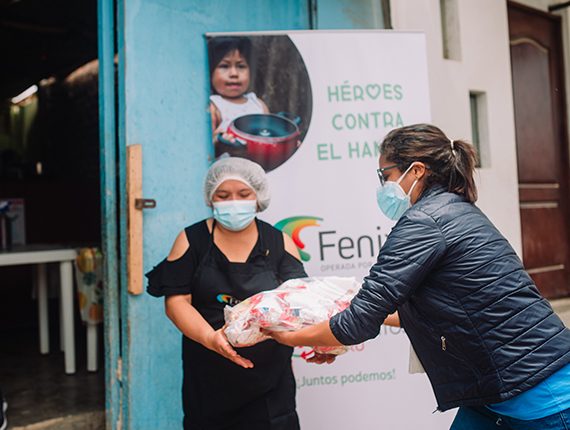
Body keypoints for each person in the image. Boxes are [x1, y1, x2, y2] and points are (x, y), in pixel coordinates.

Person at [268, 124, 570, 429]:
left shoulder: (424, 222)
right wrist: (329, 335)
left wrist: (289, 337)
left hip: (539, 392)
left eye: (384, 175)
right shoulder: (455, 210)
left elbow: (359, 321)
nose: (383, 185)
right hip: (499, 387)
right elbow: (439, 308)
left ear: (415, 171)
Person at [146, 157, 308, 430]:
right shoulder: (191, 240)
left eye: (244, 194)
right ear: (210, 198)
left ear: (258, 197)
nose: (234, 201)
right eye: (223, 195)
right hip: (208, 377)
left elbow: (300, 299)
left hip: (270, 379)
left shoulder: (278, 242)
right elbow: (176, 302)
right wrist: (210, 337)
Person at [208, 37, 269, 159]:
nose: (234, 74)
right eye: (224, 66)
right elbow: (207, 149)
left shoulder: (258, 104)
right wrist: (219, 143)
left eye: (241, 66)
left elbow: (270, 137)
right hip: (228, 172)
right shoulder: (214, 107)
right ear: (210, 72)